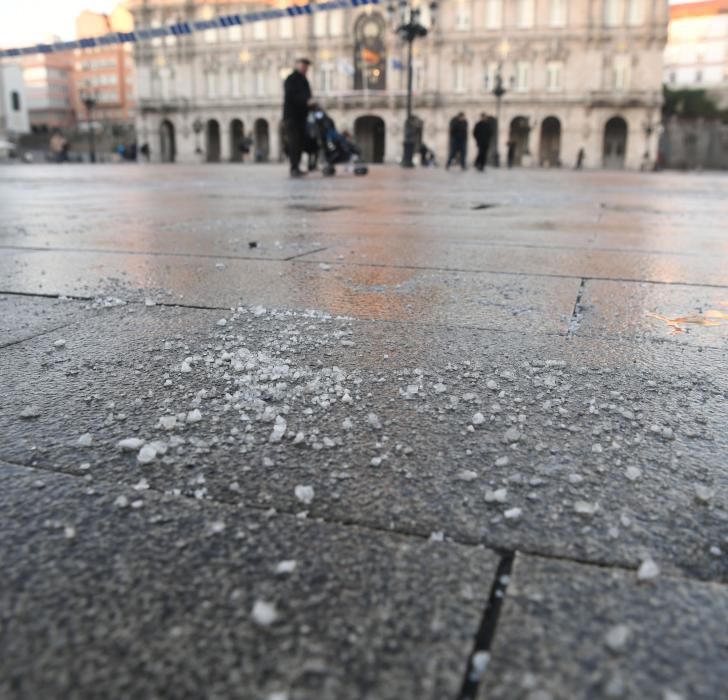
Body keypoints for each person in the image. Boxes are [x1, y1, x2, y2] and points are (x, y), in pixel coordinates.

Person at [283, 58, 313, 177]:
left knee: (300, 142)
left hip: (302, 116)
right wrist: (306, 101)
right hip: (292, 116)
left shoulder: (304, 80)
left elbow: (308, 96)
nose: (306, 69)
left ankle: (297, 166)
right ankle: (293, 167)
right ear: (298, 66)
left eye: (307, 67)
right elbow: (291, 96)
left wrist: (311, 104)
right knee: (294, 142)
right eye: (304, 66)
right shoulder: (291, 79)